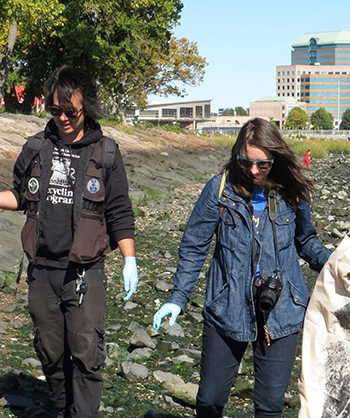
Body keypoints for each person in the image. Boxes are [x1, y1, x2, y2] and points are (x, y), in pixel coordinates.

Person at [153, 117, 331, 418]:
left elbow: (306, 241)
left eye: (263, 164)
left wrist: (337, 262)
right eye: (246, 161)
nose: (253, 171)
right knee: (209, 401)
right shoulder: (219, 189)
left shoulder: (292, 192)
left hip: (282, 310)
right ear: (237, 154)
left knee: (270, 407)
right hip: (227, 307)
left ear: (276, 158)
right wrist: (178, 297)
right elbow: (195, 245)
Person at [0, 66, 138, 418]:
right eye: (55, 110)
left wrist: (129, 260)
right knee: (49, 349)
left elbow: (119, 210)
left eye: (70, 111)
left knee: (87, 349)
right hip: (42, 268)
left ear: (86, 107)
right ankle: (62, 406)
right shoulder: (36, 146)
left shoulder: (106, 153)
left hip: (84, 271)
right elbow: (20, 195)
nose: (62, 117)